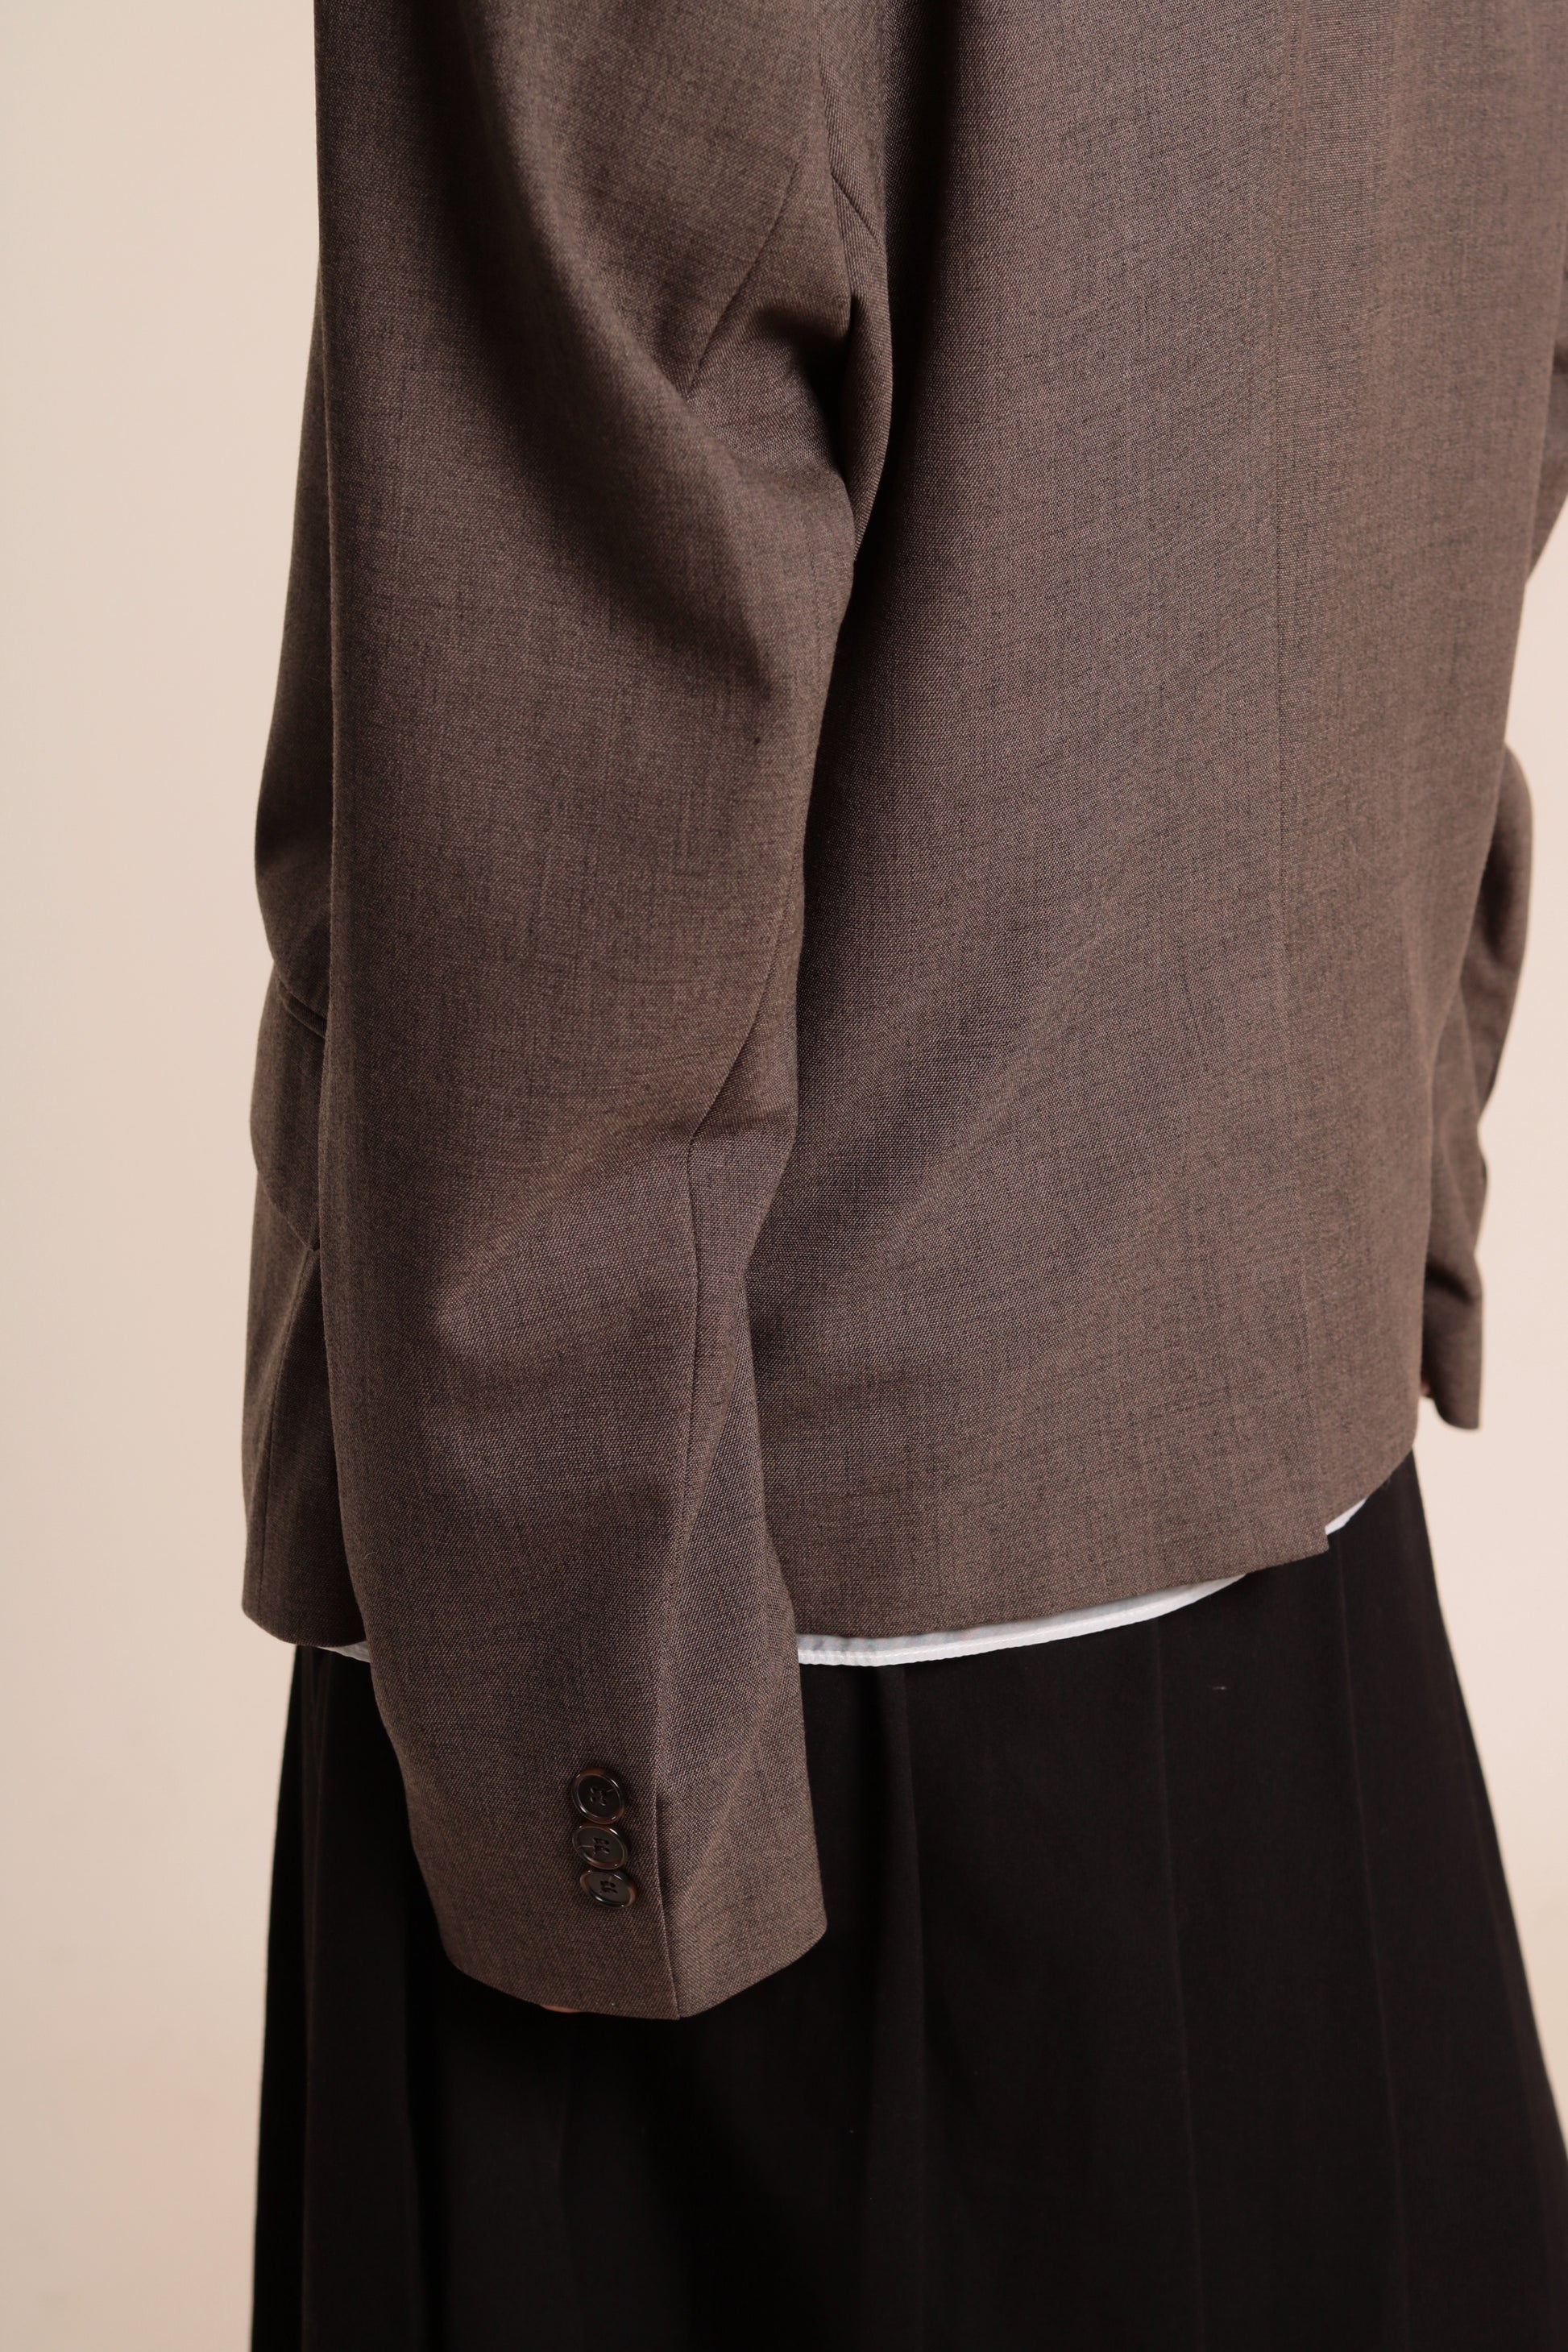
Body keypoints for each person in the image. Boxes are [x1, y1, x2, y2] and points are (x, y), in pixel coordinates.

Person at [242, 0, 1568, 2341]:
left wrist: (583, 1765)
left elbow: (562, 739)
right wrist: (1382, 1207)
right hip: (1313, 1565)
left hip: (746, 1658)